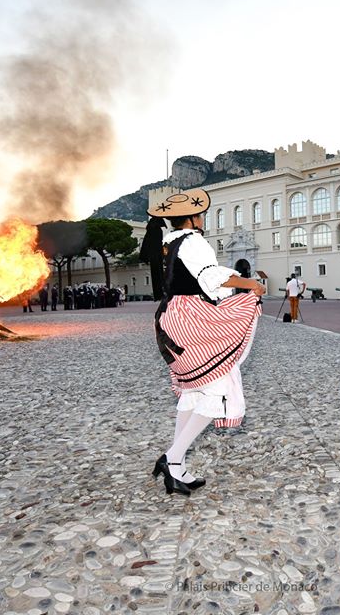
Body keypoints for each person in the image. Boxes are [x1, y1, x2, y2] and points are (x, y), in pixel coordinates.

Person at [142, 189, 264, 496]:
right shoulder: (193, 241)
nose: (202, 220)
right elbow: (213, 279)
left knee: (193, 390)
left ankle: (177, 467)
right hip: (192, 316)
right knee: (218, 386)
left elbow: (196, 280)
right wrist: (251, 284)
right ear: (193, 218)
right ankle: (172, 459)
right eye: (201, 216)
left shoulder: (169, 243)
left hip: (172, 316)